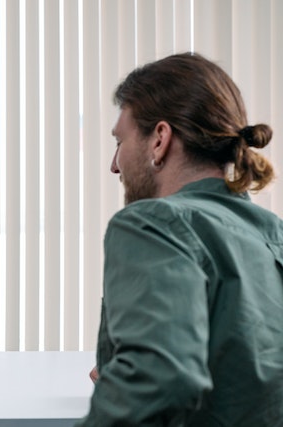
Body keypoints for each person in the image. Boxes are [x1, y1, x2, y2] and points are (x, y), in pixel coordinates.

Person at [77, 52, 283, 425]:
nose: (114, 165)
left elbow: (159, 381)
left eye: (119, 142)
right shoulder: (272, 233)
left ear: (159, 140)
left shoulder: (153, 223)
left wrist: (135, 378)